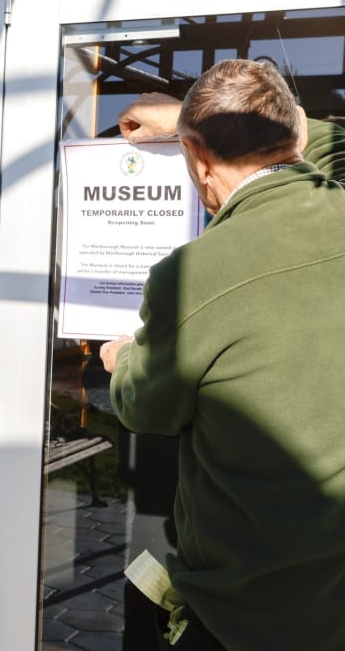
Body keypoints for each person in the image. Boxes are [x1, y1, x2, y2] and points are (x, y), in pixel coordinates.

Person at [101, 59, 345, 650]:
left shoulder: (191, 277)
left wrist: (123, 358)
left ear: (196, 158)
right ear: (301, 136)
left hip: (252, 610)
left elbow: (146, 406)